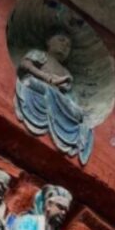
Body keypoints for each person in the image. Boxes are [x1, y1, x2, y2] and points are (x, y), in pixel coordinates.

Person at [15, 30, 94, 159]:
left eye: (68, 45)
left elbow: (64, 91)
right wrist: (46, 77)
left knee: (77, 111)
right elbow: (25, 64)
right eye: (61, 40)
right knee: (30, 83)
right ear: (48, 41)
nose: (65, 46)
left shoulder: (65, 71)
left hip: (56, 95)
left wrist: (61, 84)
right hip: (39, 84)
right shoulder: (41, 55)